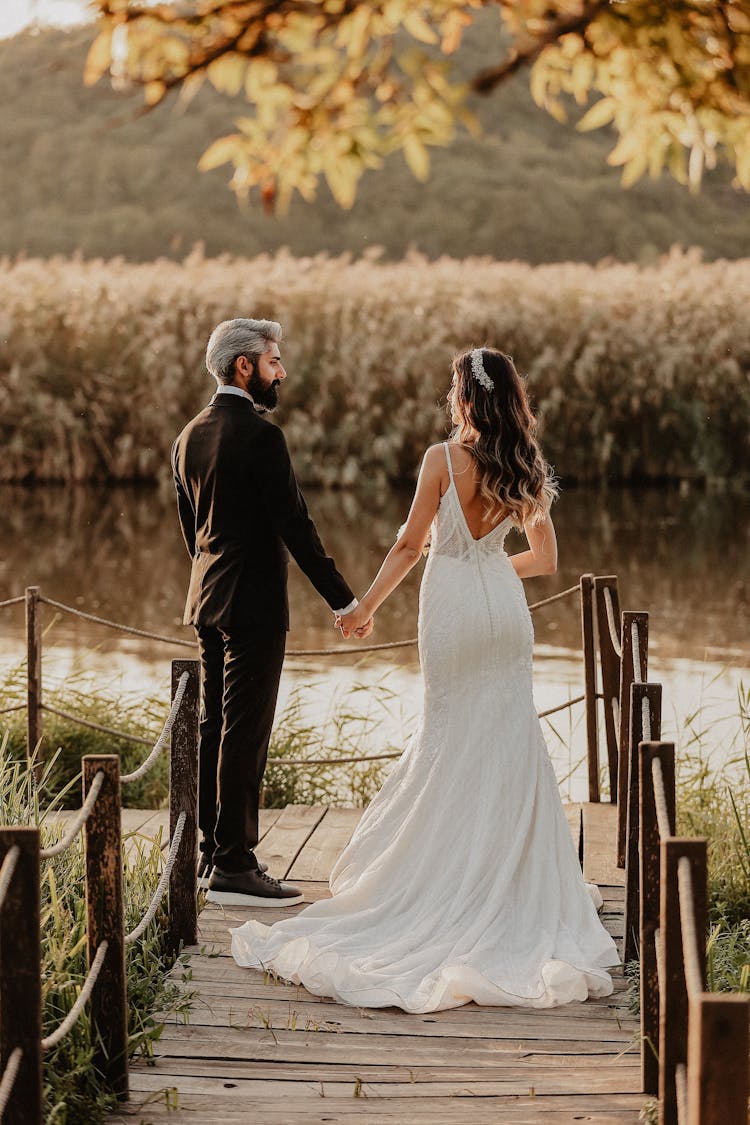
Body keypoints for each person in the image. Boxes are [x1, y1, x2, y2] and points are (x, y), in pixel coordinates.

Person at [230, 346, 620, 1011]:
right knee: (507, 737)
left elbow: (411, 545)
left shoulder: (443, 460)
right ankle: (510, 880)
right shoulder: (523, 460)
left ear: (464, 398)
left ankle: (448, 883)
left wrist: (364, 609)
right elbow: (546, 558)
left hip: (453, 614)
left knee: (448, 737)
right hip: (504, 613)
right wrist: (491, 567)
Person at [172, 317, 372, 908]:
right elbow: (296, 528)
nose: (280, 372)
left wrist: (214, 578)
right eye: (273, 361)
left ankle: (213, 851)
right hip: (254, 602)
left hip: (206, 597)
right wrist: (346, 602)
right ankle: (234, 864)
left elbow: (194, 533)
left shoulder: (188, 435)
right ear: (244, 366)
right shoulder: (263, 438)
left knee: (215, 726)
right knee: (246, 730)